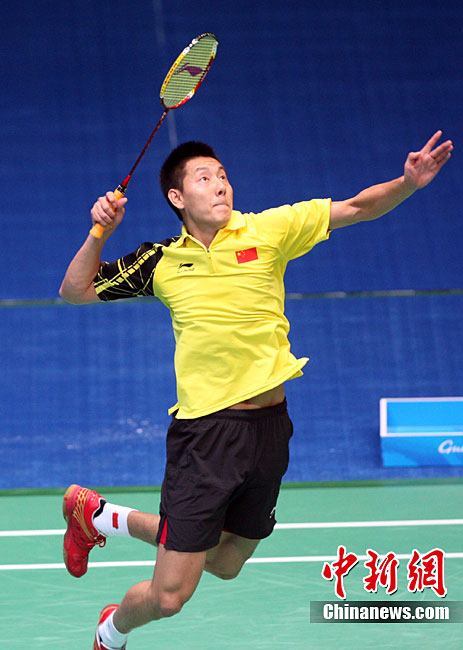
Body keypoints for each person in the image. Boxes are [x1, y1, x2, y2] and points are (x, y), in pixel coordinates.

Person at [60, 131, 452, 649]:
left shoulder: (269, 229)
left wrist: (407, 183)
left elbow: (358, 207)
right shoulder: (160, 261)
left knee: (226, 562)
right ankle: (111, 632)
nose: (220, 185)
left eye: (222, 175)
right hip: (206, 436)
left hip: (270, 427)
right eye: (204, 178)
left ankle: (99, 516)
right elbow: (75, 291)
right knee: (171, 595)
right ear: (177, 197)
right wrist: (99, 234)